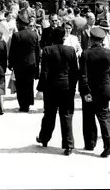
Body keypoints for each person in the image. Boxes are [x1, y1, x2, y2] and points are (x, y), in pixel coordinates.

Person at [36, 26, 79, 155]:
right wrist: (72, 87)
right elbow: (74, 72)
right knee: (66, 115)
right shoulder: (71, 50)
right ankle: (68, 144)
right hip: (66, 86)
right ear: (63, 38)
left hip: (51, 86)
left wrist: (41, 88)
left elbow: (44, 72)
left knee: (49, 113)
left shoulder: (47, 51)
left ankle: (44, 138)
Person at [79, 27, 110, 157]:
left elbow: (83, 75)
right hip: (104, 89)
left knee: (89, 117)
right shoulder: (109, 52)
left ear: (90, 39)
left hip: (90, 90)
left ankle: (90, 143)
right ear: (103, 40)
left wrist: (85, 91)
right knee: (104, 118)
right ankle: (108, 143)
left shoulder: (85, 54)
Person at [8, 9, 40, 112]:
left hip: (19, 64)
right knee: (29, 84)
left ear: (20, 24)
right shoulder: (34, 34)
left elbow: (12, 51)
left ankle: (22, 104)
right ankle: (28, 103)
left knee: (20, 84)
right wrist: (37, 64)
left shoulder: (17, 35)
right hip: (31, 63)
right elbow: (37, 51)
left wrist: (10, 64)